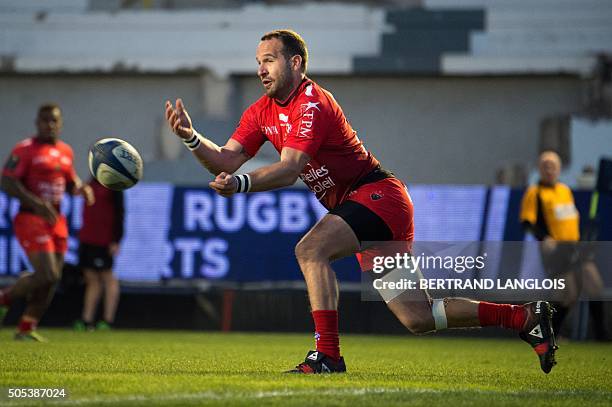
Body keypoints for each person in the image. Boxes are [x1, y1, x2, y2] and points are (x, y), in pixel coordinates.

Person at [164, 30, 557, 373]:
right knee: (417, 316)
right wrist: (191, 138)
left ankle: (328, 356)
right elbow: (225, 159)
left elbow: (288, 169)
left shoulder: (311, 102)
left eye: (269, 60)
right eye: (258, 62)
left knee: (310, 249)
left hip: (377, 196)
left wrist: (241, 184)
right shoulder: (261, 111)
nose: (260, 69)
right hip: (370, 203)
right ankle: (523, 316)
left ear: (295, 62)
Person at [0, 103, 94, 341]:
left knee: (53, 277)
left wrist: (82, 189)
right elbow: (7, 181)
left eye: (54, 121)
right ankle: (4, 298)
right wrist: (36, 203)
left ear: (60, 124)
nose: (49, 125)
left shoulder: (65, 151)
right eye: (45, 120)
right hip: (31, 217)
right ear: (37, 123)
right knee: (47, 274)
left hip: (56, 220)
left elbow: (70, 181)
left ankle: (26, 327)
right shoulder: (25, 150)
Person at [520, 151, 604, 336]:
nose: (549, 169)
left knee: (594, 286)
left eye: (553, 165)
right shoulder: (535, 193)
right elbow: (527, 222)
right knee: (568, 295)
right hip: (556, 249)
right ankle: (550, 333)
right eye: (545, 165)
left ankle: (602, 335)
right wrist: (544, 238)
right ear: (540, 169)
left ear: (559, 169)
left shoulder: (564, 190)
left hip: (575, 246)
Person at [74, 178, 124, 331]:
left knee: (107, 276)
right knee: (91, 278)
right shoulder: (90, 183)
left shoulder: (114, 184)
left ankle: (107, 320)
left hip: (104, 239)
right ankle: (87, 320)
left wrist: (116, 239)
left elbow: (120, 213)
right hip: (87, 238)